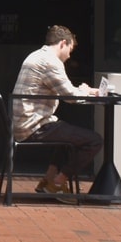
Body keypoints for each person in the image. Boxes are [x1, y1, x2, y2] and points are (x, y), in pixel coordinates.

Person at [11, 24, 104, 196]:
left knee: (66, 133)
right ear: (63, 43)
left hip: (21, 123)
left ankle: (48, 180)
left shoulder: (36, 55)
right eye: (70, 49)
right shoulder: (51, 62)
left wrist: (86, 90)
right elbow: (70, 96)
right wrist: (86, 90)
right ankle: (58, 182)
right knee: (94, 141)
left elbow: (65, 90)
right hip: (33, 126)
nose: (69, 55)